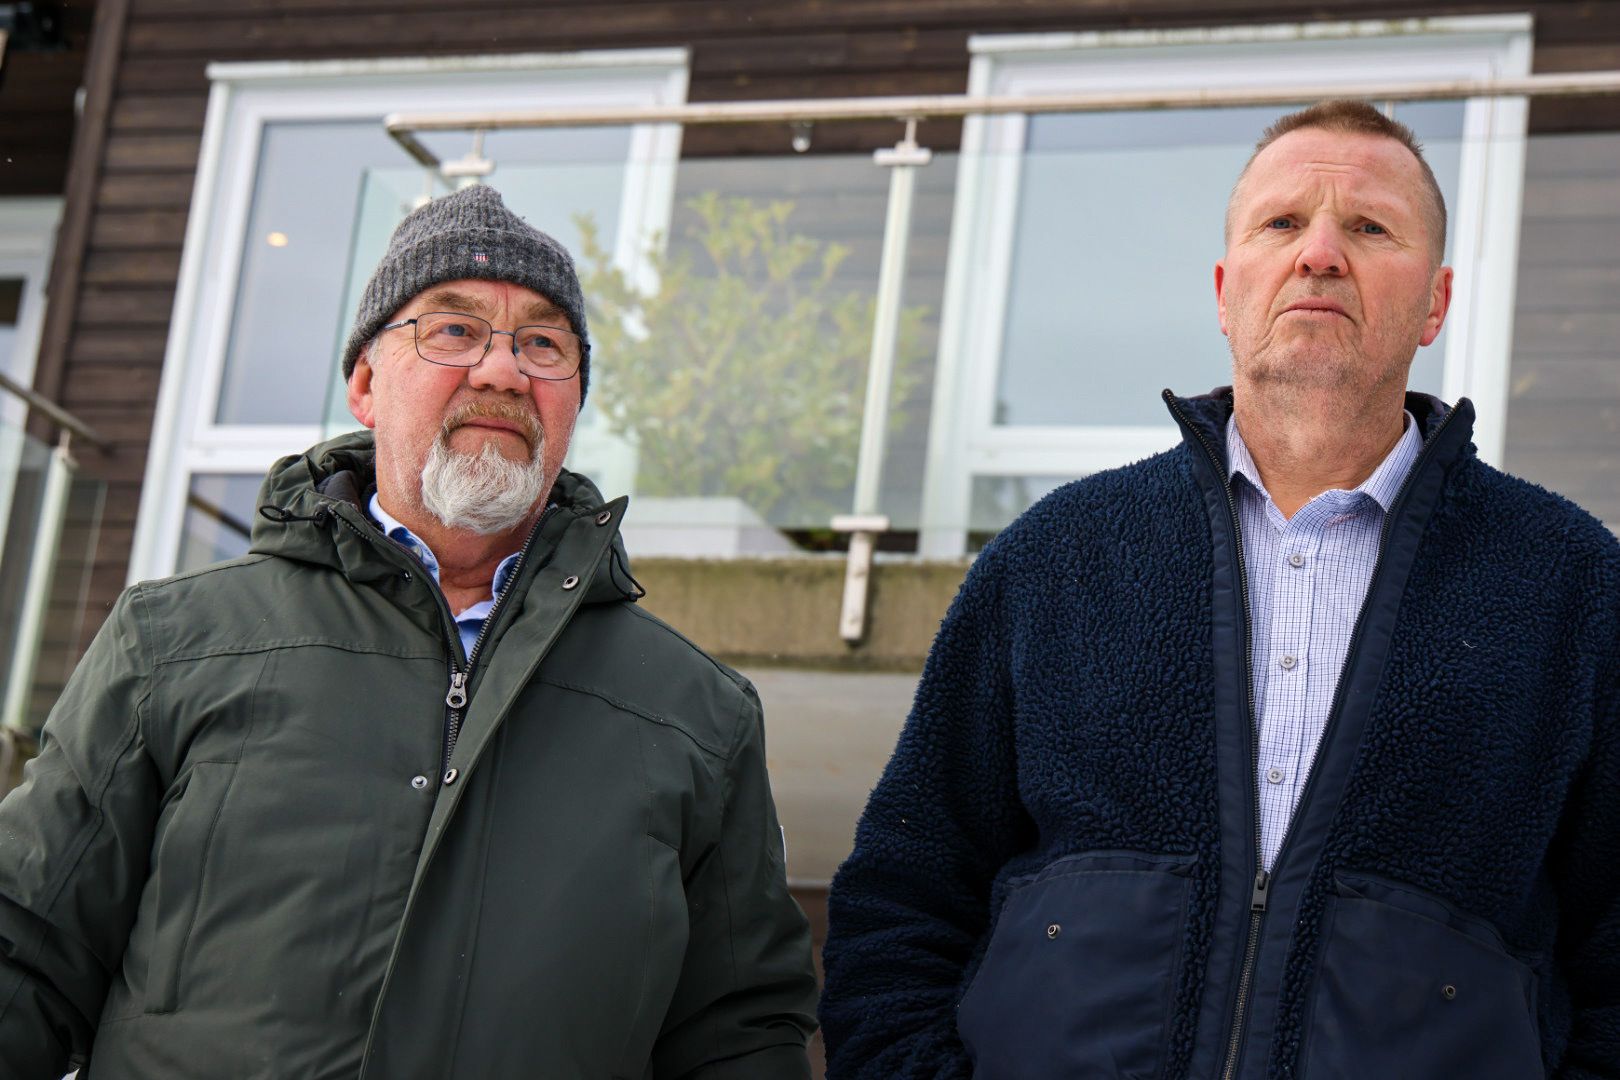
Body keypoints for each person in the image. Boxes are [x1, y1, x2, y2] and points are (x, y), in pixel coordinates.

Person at [819, 100, 1620, 1079]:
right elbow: (902, 901)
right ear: (1224, 290)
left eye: (1370, 228)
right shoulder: (1055, 558)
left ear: (1436, 303)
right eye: (1282, 223)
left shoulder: (1574, 587)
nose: (1320, 254)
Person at [0, 184, 819, 1078]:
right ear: (365, 383)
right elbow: (23, 951)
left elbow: (740, 1036)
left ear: (574, 401)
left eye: (543, 344)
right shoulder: (171, 644)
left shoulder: (698, 715)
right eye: (454, 330)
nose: (503, 372)